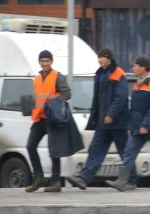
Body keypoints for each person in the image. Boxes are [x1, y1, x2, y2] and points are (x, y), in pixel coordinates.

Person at [106, 55, 150, 191]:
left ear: (143, 68)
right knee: (129, 151)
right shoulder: (138, 84)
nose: (133, 68)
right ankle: (124, 181)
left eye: (135, 66)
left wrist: (146, 125)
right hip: (138, 128)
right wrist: (132, 126)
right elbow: (134, 108)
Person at [67, 48, 131, 190]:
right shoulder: (100, 74)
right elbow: (98, 99)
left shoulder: (118, 74)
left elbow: (120, 98)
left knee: (124, 151)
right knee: (95, 148)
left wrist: (111, 115)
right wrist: (97, 117)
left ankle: (131, 179)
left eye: (102, 57)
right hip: (103, 121)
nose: (99, 59)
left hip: (117, 122)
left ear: (109, 58)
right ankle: (84, 178)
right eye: (98, 57)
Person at [25, 50, 72, 193]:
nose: (45, 63)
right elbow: (37, 98)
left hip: (52, 119)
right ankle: (39, 178)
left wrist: (53, 104)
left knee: (54, 150)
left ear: (51, 62)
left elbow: (67, 94)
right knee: (30, 146)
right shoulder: (37, 79)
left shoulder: (57, 76)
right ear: (39, 62)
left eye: (47, 61)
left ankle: (56, 181)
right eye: (42, 61)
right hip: (39, 119)